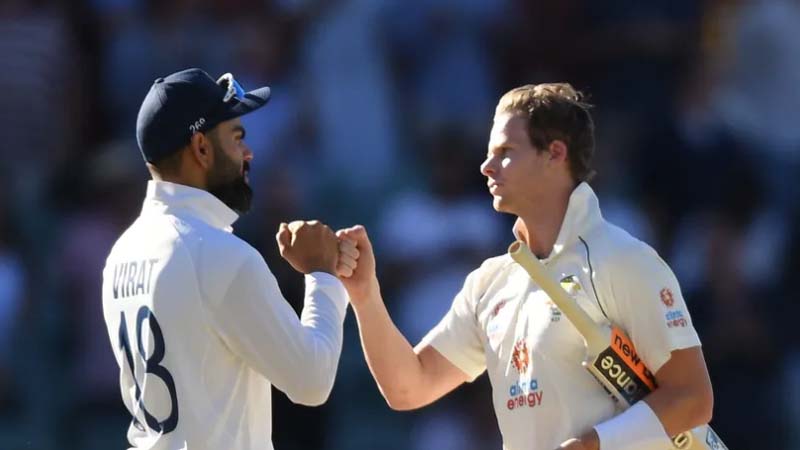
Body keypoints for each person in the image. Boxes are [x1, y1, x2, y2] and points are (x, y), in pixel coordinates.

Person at [337, 83, 714, 450]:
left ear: (555, 153)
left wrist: (595, 444)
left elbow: (693, 398)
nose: (486, 167)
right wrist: (365, 295)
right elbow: (408, 388)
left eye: (505, 152)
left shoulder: (624, 260)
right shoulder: (490, 282)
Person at [101, 68, 358, 450]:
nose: (248, 153)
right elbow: (312, 381)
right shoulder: (220, 255)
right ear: (202, 148)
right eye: (237, 138)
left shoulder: (122, 252)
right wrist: (322, 274)